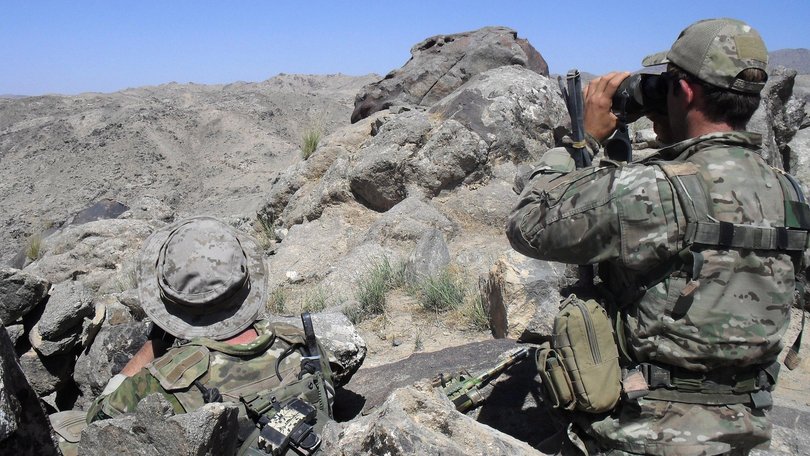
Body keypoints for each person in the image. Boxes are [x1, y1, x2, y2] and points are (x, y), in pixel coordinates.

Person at [507, 18, 808, 455]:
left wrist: (583, 143)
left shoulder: (653, 188)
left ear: (683, 92)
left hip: (642, 435)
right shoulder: (791, 194)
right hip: (746, 434)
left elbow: (528, 226)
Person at [82, 216, 335, 454]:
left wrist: (155, 343)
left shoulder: (162, 381)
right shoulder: (300, 342)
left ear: (171, 305)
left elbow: (97, 424)